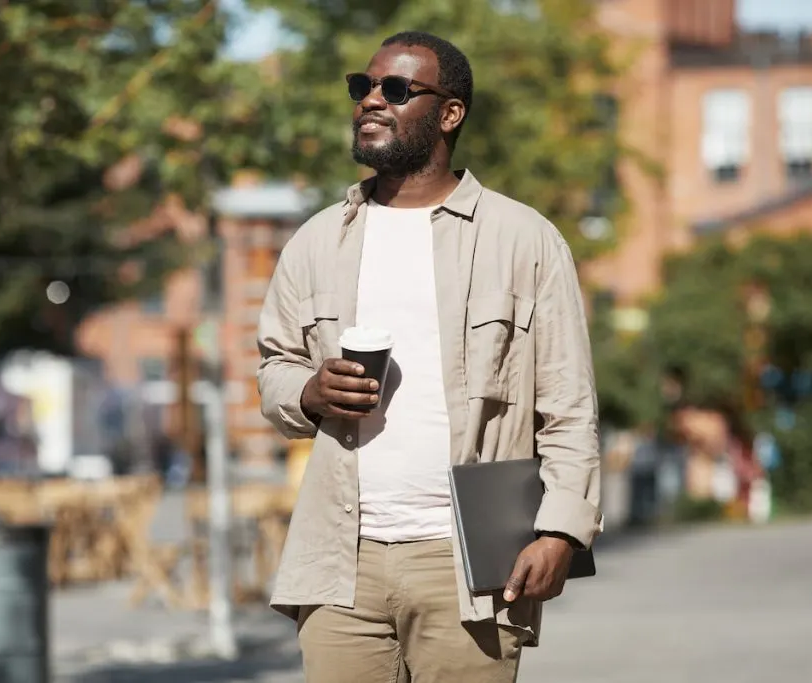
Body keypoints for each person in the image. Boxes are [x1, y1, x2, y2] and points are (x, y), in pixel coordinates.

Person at [256, 31, 602, 682]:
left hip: (470, 557)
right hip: (340, 561)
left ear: (450, 113)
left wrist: (561, 530)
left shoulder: (522, 239)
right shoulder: (316, 241)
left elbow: (568, 404)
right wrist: (307, 392)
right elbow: (274, 366)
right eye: (363, 87)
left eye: (395, 89)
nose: (370, 102)